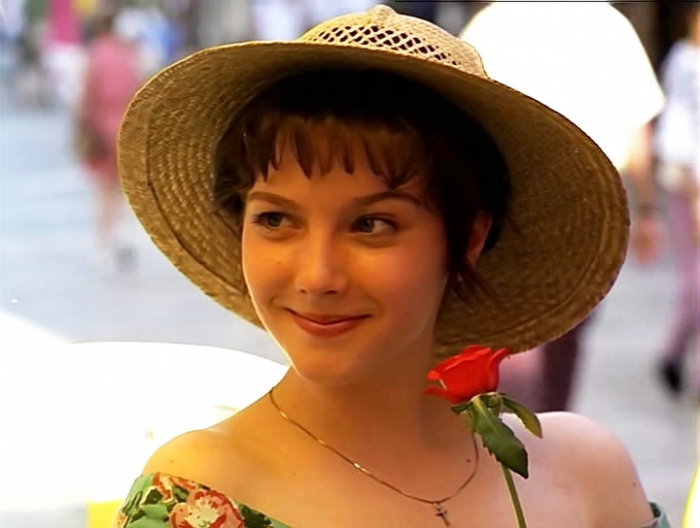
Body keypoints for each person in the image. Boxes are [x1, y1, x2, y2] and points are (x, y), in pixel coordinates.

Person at [111, 6, 669, 527]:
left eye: (371, 225)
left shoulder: (585, 476)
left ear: (468, 239)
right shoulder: (199, 496)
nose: (317, 276)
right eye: (276, 219)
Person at [460, 0, 666, 412]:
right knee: (564, 328)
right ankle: (548, 426)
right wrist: (647, 209)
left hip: (513, 202)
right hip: (585, 207)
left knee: (513, 329)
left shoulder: (494, 20)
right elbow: (638, 129)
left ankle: (515, 431)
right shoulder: (609, 24)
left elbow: (462, 112)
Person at [654, 2, 700, 397]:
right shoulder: (685, 64)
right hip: (690, 186)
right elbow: (679, 130)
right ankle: (673, 355)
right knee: (695, 285)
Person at [75, 10, 140, 273]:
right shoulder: (127, 54)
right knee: (122, 190)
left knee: (103, 191)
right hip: (124, 128)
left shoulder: (93, 55)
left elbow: (85, 97)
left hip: (101, 128)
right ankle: (123, 235)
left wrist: (83, 126)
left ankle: (104, 244)